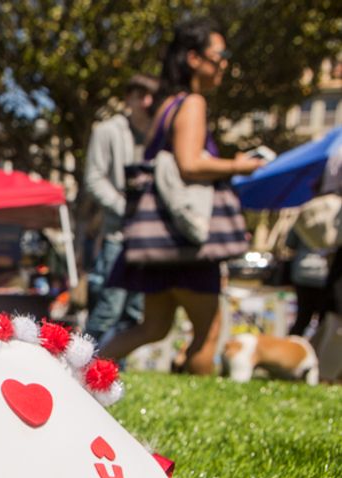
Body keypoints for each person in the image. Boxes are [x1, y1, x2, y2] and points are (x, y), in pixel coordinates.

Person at [100, 17, 265, 375]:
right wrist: (238, 166)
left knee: (153, 328)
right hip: (187, 240)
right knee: (209, 333)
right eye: (220, 55)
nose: (224, 64)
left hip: (159, 242)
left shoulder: (165, 107)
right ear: (194, 58)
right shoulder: (192, 103)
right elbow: (189, 165)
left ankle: (82, 372)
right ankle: (204, 419)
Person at [83, 74, 159, 346]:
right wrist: (124, 209)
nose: (147, 102)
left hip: (150, 238)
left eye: (152, 96)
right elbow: (94, 178)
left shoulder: (159, 133)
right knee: (108, 308)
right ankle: (80, 366)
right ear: (129, 98)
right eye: (141, 95)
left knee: (135, 312)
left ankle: (113, 372)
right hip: (119, 234)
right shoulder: (108, 131)